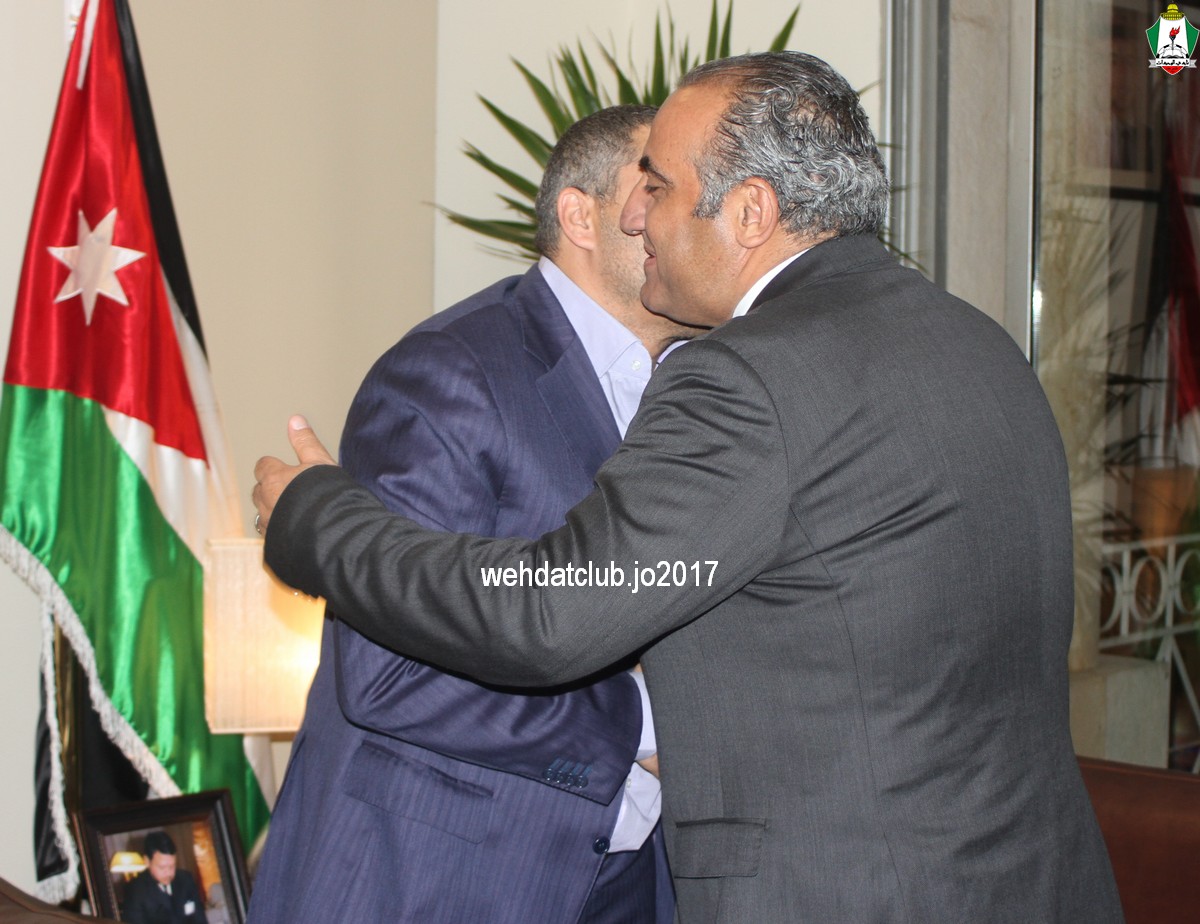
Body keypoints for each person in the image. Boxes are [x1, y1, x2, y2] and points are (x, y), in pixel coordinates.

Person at [252, 52, 1124, 922]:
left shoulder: (753, 375)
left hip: (849, 887)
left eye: (662, 188)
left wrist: (314, 517)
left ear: (751, 212)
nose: (644, 217)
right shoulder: (980, 344)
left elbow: (550, 611)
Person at [247, 106, 694, 924]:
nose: (679, 213)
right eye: (655, 187)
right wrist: (644, 728)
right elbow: (390, 674)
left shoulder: (707, 390)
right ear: (580, 216)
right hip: (443, 884)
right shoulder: (452, 372)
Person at [121, 832, 207, 924]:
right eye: (162, 867)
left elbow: (200, 919)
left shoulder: (186, 880)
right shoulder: (135, 891)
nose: (169, 873)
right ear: (147, 862)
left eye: (172, 866)